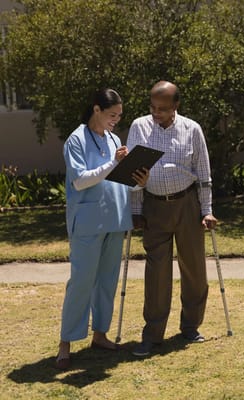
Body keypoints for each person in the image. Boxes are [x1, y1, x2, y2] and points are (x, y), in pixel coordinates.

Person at [58, 88, 148, 370]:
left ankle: (100, 335)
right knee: (82, 281)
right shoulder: (76, 139)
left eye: (119, 116)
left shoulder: (113, 139)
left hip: (115, 219)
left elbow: (119, 180)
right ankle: (65, 342)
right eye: (112, 115)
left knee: (107, 281)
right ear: (96, 110)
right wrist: (114, 163)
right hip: (87, 222)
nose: (116, 120)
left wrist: (139, 181)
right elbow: (80, 181)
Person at [127, 81, 218, 357]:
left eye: (163, 109)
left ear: (176, 106)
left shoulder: (192, 129)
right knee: (157, 273)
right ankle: (153, 335)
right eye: (153, 107)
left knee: (194, 270)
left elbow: (203, 174)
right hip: (154, 206)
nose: (157, 113)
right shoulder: (139, 126)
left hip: (187, 204)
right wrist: (135, 210)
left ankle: (190, 327)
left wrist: (207, 210)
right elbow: (131, 174)